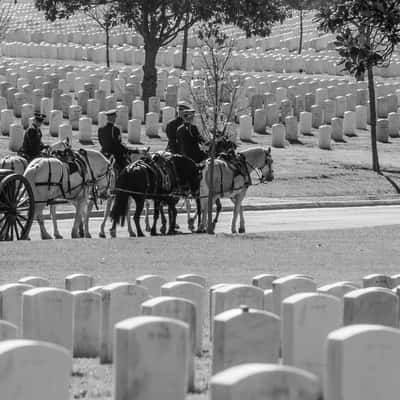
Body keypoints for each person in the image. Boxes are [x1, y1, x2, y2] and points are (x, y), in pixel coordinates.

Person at [98, 109, 129, 174]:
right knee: (127, 166)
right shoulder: (115, 129)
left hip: (103, 152)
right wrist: (126, 149)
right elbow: (117, 144)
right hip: (114, 154)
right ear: (112, 118)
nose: (115, 118)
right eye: (115, 117)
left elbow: (101, 142)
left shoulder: (100, 129)